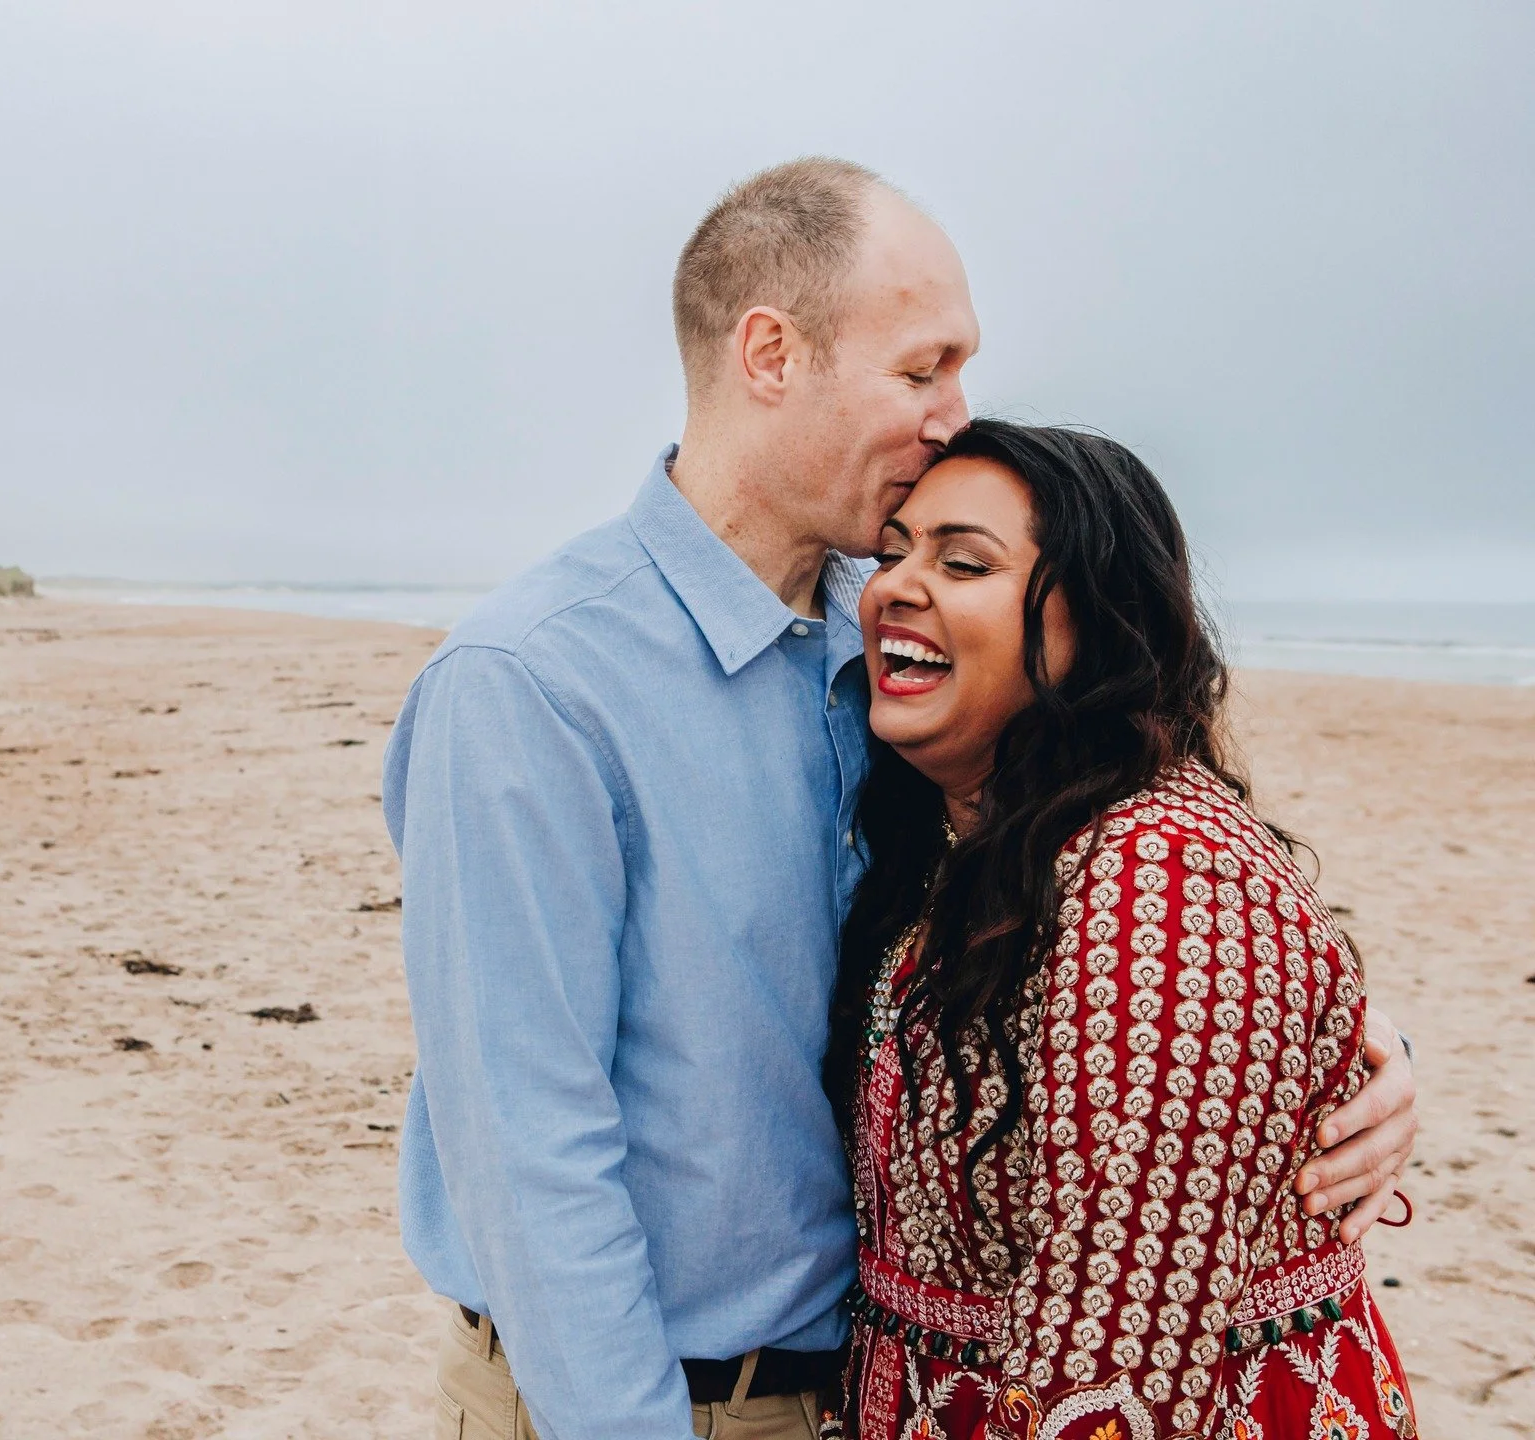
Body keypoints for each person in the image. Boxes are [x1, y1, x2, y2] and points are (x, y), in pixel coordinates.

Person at [381, 158, 1417, 1440]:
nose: (954, 413)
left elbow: (1107, 920)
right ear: (773, 353)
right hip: (642, 1402)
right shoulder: (532, 685)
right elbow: (528, 1156)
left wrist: (1353, 1063)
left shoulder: (889, 662)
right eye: (923, 369)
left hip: (862, 1396)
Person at [834, 420, 1417, 1438]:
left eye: (962, 561)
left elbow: (1111, 1378)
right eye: (891, 553)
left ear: (1093, 623)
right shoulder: (958, 847)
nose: (892, 588)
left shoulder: (1170, 874)